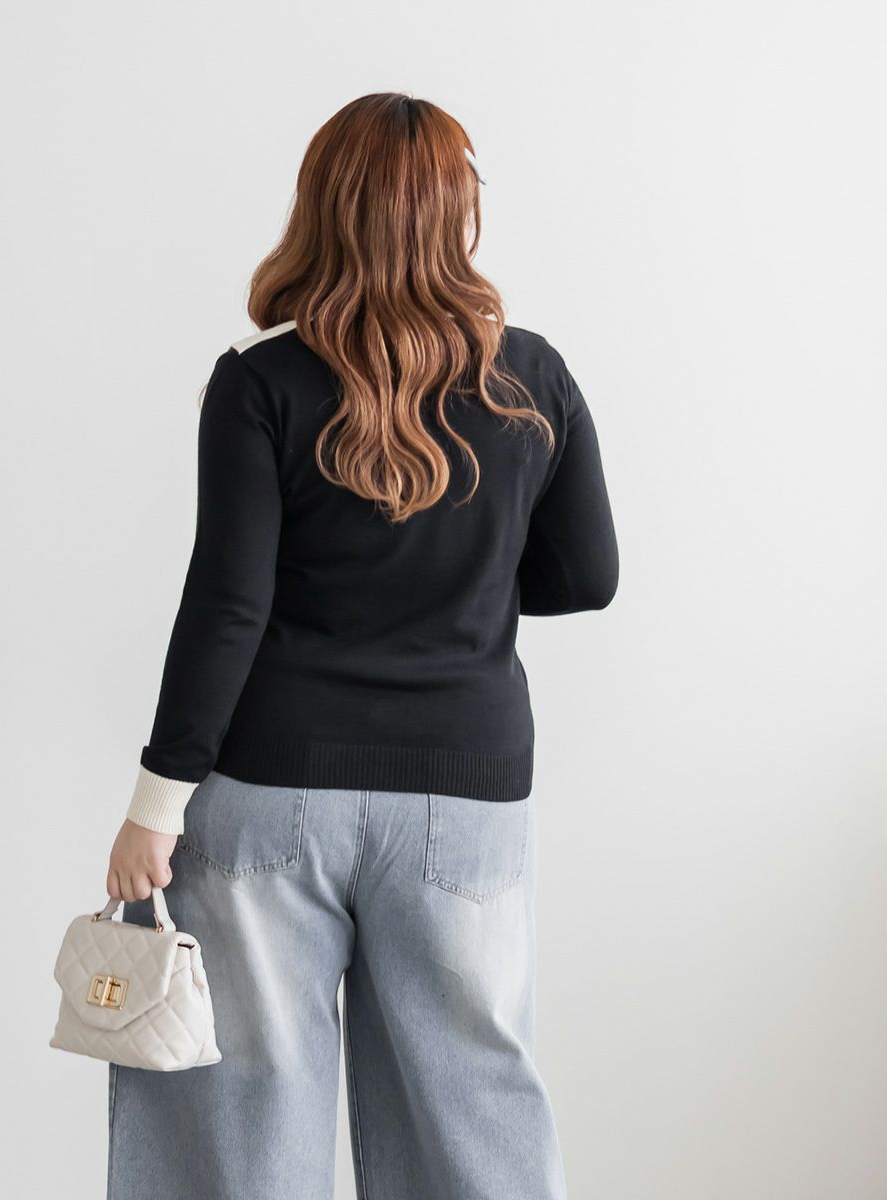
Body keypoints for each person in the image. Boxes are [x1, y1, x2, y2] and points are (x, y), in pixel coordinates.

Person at [104, 91, 619, 1200]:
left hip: (268, 792)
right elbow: (587, 579)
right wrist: (464, 584)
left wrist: (155, 805)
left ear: (323, 207)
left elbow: (228, 605)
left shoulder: (260, 381)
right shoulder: (533, 379)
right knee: (474, 1113)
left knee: (242, 1124)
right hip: (464, 797)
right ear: (458, 212)